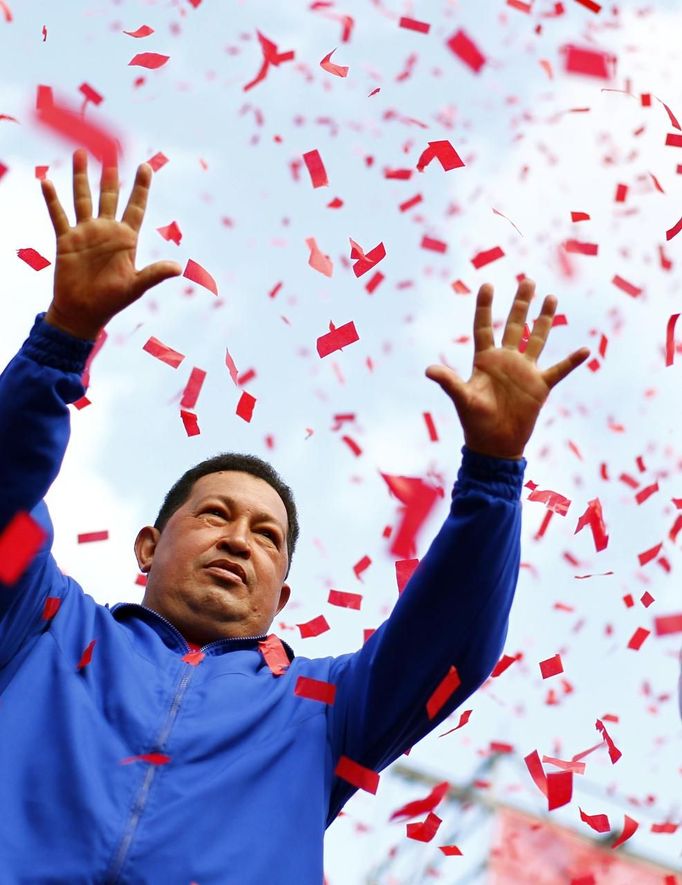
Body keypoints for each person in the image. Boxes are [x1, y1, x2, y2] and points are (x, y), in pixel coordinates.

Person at [0, 149, 590, 884]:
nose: (239, 540)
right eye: (216, 514)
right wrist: (63, 336)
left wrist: (495, 473)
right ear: (149, 544)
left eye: (266, 535)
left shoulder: (324, 711)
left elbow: (449, 639)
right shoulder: (41, 621)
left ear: (281, 597)